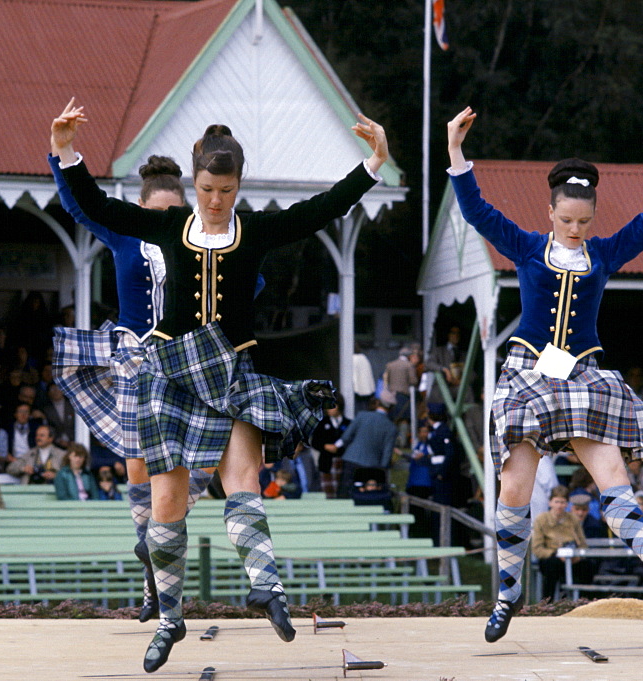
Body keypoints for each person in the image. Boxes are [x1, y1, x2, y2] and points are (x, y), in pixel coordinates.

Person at [53, 98, 390, 670]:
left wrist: (373, 164)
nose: (215, 201)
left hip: (234, 372)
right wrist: (64, 149)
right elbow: (95, 204)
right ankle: (168, 619)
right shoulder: (166, 226)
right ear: (195, 183)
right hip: (172, 373)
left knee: (243, 480)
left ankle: (269, 590)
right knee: (166, 501)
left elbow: (319, 210)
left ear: (238, 186)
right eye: (208, 189)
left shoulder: (254, 231)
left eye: (226, 191)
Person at [446, 106, 643, 643]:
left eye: (584, 222)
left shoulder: (603, 255)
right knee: (515, 481)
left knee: (614, 477)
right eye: (566, 221)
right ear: (551, 212)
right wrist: (457, 154)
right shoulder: (528, 247)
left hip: (583, 377)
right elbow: (479, 213)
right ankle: (507, 593)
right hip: (528, 376)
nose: (576, 230)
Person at [49, 148, 225, 627]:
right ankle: (153, 588)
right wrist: (63, 154)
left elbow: (251, 278)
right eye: (156, 213)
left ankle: (155, 549)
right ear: (141, 210)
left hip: (184, 363)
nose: (165, 220)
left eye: (174, 213)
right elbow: (77, 203)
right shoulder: (124, 232)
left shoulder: (202, 244)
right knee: (137, 466)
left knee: (197, 469)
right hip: (132, 360)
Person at [532, 486, 592, 600]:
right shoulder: (542, 519)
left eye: (563, 502)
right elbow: (537, 548)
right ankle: (547, 603)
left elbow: (582, 543)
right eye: (557, 502)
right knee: (552, 566)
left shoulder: (573, 519)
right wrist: (556, 554)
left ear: (567, 504)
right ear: (550, 503)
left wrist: (578, 556)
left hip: (572, 556)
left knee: (587, 566)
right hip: (551, 556)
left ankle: (583, 601)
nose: (559, 506)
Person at [336, 395, 398, 498]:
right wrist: (382, 470)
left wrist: (336, 445)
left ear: (378, 403)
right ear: (391, 408)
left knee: (344, 492)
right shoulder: (391, 427)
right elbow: (387, 453)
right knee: (364, 496)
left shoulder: (362, 415)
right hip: (371, 465)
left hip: (351, 458)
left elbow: (346, 436)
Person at [310, 394, 350, 499]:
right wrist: (325, 446)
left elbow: (352, 442)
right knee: (327, 492)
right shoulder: (321, 423)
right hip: (326, 462)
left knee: (343, 490)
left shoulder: (348, 423)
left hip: (343, 462)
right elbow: (314, 442)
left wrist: (340, 448)